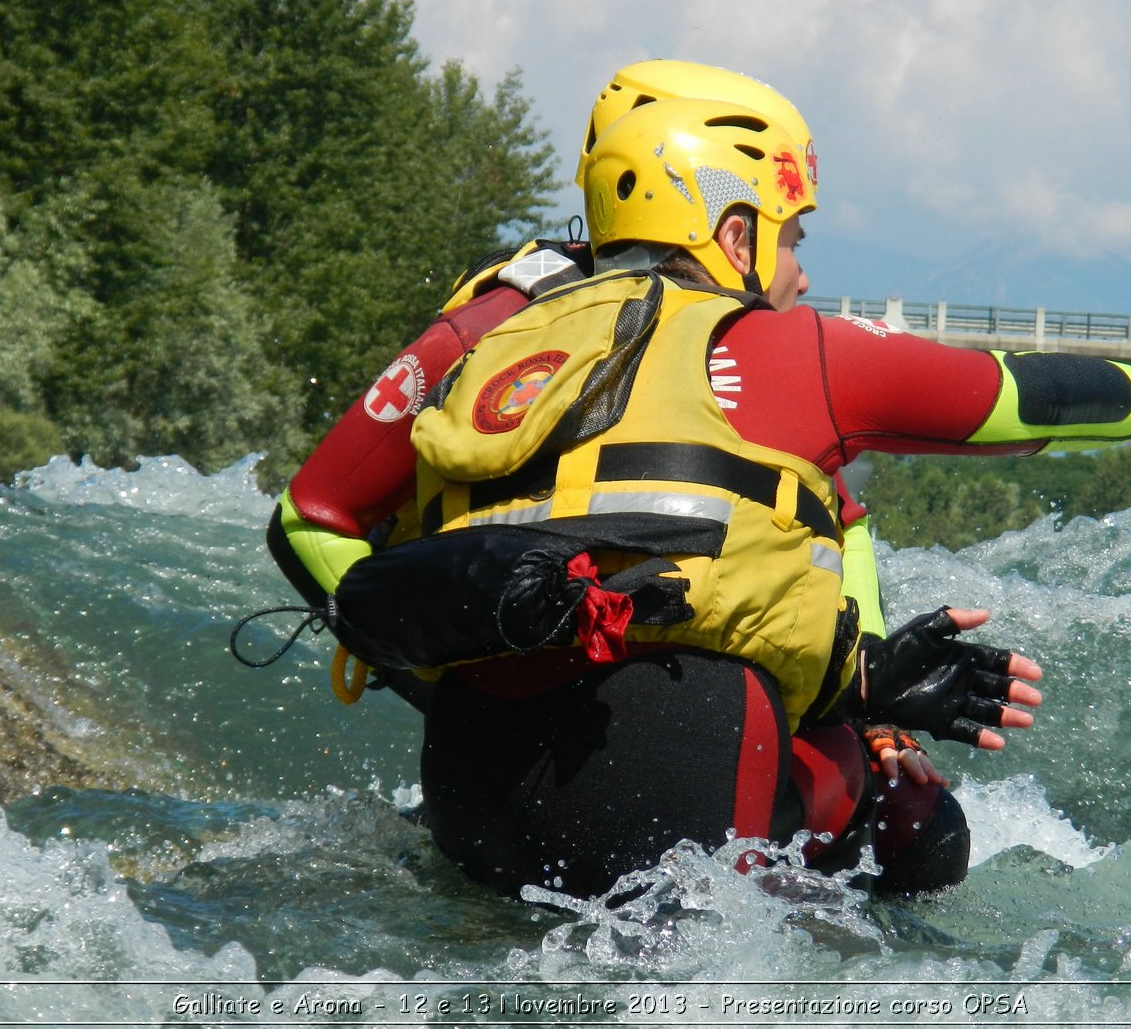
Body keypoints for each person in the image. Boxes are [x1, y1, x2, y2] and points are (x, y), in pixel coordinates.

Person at [265, 62, 1040, 897]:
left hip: (486, 759)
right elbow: (311, 518)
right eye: (792, 234)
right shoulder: (719, 348)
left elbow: (307, 519)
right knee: (916, 830)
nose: (802, 273)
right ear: (729, 225)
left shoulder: (501, 325)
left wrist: (449, 673)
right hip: (663, 742)